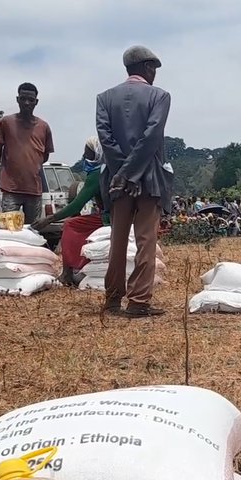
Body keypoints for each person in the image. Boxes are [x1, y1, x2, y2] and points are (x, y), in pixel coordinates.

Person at [95, 45, 173, 318]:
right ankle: (139, 301)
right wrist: (133, 172)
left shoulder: (104, 98)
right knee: (145, 240)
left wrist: (122, 173)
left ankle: (113, 300)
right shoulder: (160, 97)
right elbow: (151, 137)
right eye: (153, 68)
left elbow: (106, 140)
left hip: (116, 181)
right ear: (147, 68)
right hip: (148, 177)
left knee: (117, 241)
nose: (155, 74)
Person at [33, 136, 108, 286]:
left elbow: (77, 205)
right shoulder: (107, 169)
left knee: (70, 225)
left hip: (108, 217)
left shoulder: (96, 175)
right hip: (113, 215)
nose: (84, 156)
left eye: (88, 152)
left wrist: (49, 219)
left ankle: (67, 272)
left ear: (97, 153)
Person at [0, 83, 55, 225]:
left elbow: (44, 156)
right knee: (9, 228)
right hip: (10, 189)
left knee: (33, 230)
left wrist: (31, 165)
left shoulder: (43, 127)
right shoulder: (6, 122)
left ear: (36, 102)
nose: (27, 103)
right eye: (23, 99)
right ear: (17, 99)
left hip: (34, 189)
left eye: (31, 100)